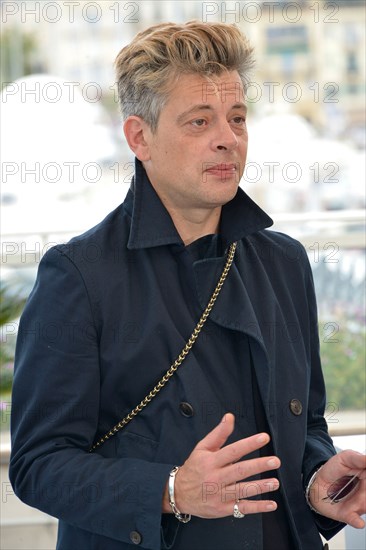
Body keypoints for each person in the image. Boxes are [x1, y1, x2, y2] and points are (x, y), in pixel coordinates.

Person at [9, 21, 365, 550]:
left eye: (237, 118)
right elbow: (38, 464)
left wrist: (319, 480)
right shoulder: (79, 275)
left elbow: (305, 424)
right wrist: (170, 489)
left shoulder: (285, 261)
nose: (228, 137)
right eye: (200, 121)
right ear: (139, 137)